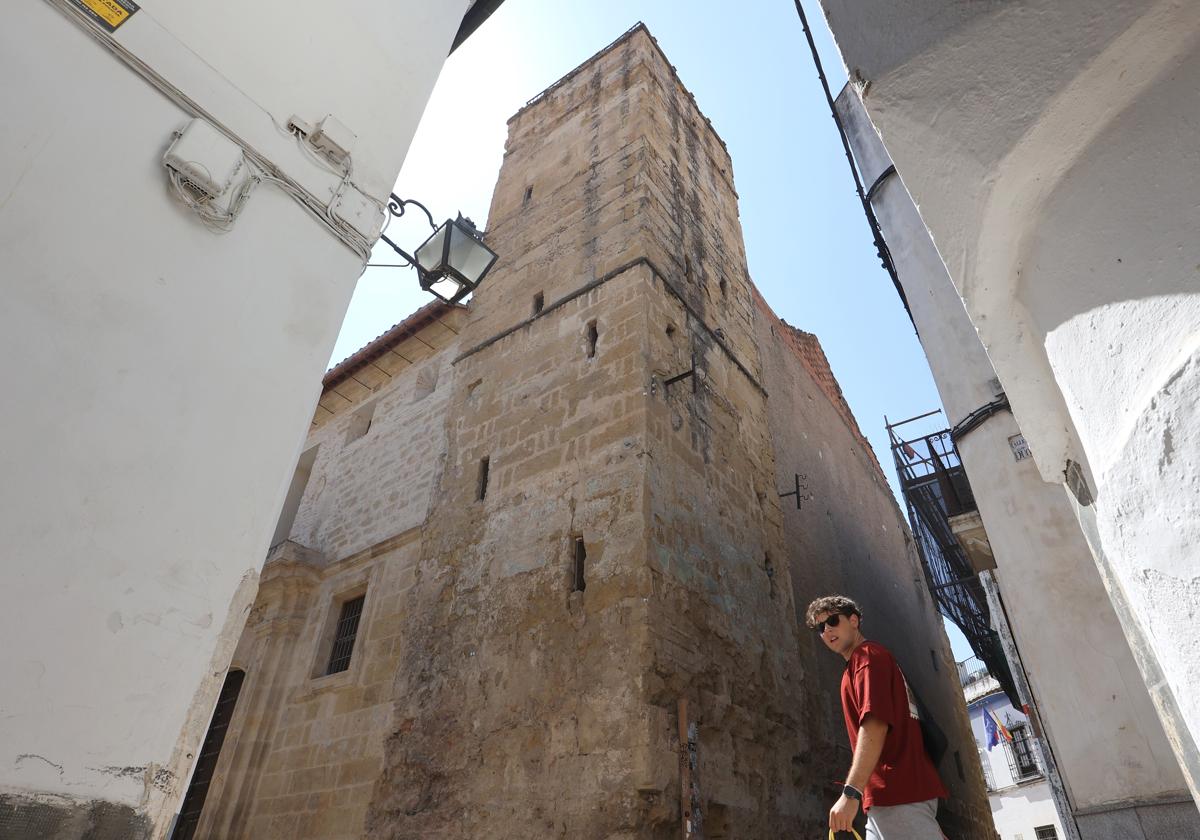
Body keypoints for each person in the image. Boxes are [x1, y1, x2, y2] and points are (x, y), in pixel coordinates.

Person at [806, 595, 948, 840]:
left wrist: (851, 793)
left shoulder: (866, 658)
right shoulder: (867, 661)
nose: (827, 629)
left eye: (832, 620)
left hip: (897, 795)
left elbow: (875, 725)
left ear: (853, 620)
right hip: (898, 799)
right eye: (821, 627)